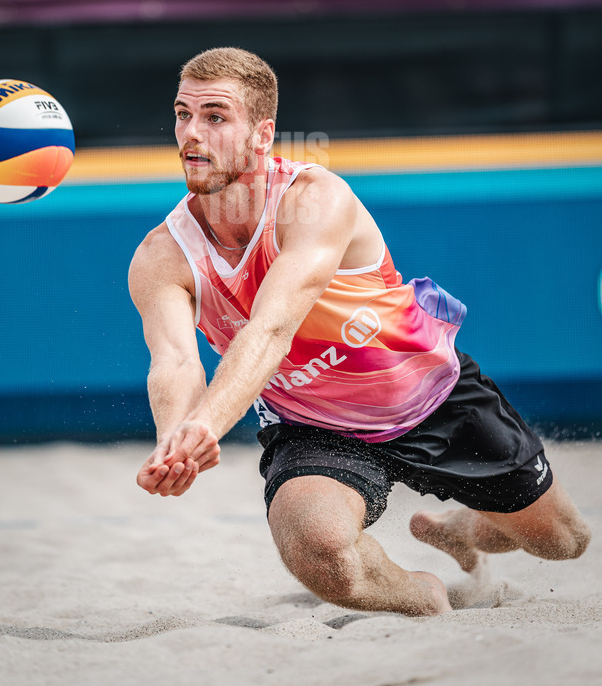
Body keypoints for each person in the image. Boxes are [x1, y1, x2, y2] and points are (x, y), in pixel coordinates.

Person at [129, 47, 590, 617]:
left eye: (215, 117)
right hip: (314, 424)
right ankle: (423, 599)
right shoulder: (161, 255)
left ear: (262, 134)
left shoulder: (314, 200)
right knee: (315, 547)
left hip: (432, 396)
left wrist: (207, 423)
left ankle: (461, 530)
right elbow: (174, 362)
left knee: (564, 542)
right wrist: (176, 439)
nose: (191, 133)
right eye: (182, 114)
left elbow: (271, 330)